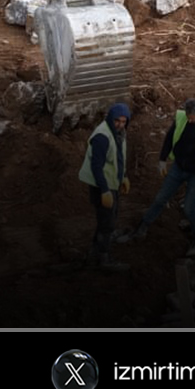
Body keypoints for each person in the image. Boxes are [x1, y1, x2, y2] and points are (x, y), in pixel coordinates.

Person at [120, 98, 195, 256]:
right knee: (160, 199)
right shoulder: (182, 119)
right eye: (187, 115)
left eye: (191, 117)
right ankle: (141, 229)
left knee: (190, 208)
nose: (188, 119)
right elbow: (169, 139)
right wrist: (162, 160)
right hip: (178, 168)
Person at [78, 102, 133, 271]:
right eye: (117, 121)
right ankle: (104, 258)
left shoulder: (119, 133)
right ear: (110, 118)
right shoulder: (102, 136)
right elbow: (96, 166)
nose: (120, 125)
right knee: (107, 224)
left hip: (111, 184)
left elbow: (118, 157)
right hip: (101, 185)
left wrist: (122, 176)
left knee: (107, 220)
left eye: (124, 122)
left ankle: (93, 254)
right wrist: (104, 190)